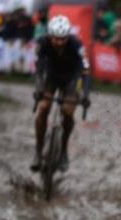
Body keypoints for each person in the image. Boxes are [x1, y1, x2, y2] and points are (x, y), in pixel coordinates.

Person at [31, 15, 90, 172]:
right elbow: (37, 67)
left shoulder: (77, 45)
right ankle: (38, 151)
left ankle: (63, 150)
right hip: (51, 77)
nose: (58, 42)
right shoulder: (43, 43)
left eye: (62, 39)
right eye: (55, 39)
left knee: (67, 111)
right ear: (50, 36)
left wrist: (85, 94)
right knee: (43, 108)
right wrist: (38, 87)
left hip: (71, 79)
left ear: (67, 36)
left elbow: (85, 71)